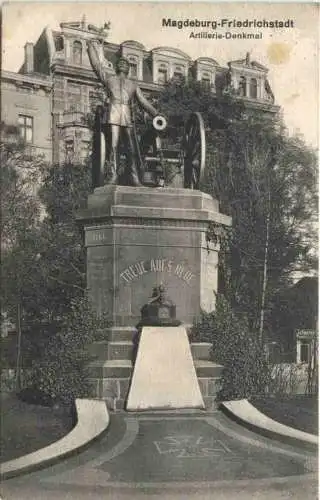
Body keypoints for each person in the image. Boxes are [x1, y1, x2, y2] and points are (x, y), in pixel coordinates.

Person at [87, 39, 159, 186]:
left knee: (131, 148)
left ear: (128, 69)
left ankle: (134, 177)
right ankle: (113, 176)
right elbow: (97, 66)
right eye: (120, 62)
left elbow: (144, 102)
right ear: (116, 67)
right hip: (113, 115)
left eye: (125, 63)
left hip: (126, 117)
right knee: (113, 147)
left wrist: (156, 114)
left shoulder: (133, 85)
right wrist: (90, 48)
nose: (122, 63)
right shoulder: (109, 78)